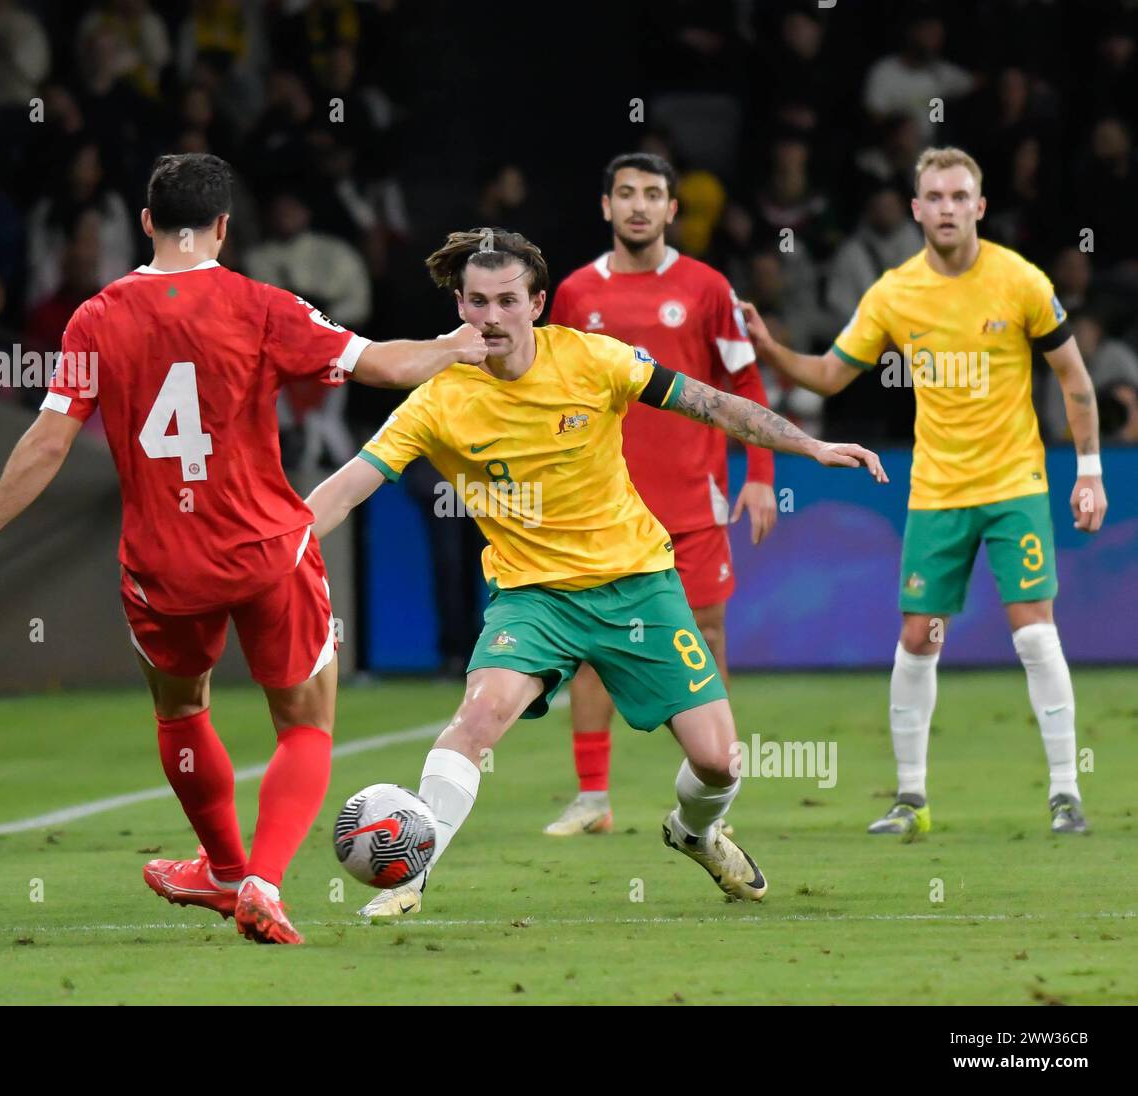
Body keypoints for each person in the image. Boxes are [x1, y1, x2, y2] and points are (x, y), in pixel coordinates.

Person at [0, 153, 488, 945]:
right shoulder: (261, 304)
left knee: (181, 710)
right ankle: (262, 882)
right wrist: (456, 343)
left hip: (162, 565)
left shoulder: (95, 317)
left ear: (145, 223)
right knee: (306, 725)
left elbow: (47, 441)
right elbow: (382, 364)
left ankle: (221, 867)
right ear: (223, 226)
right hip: (264, 550)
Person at [305, 228, 887, 918]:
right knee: (477, 721)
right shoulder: (437, 399)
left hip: (638, 583)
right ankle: (412, 873)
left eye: (507, 300)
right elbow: (344, 488)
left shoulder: (594, 359)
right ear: (459, 306)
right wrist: (277, 549)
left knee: (719, 762)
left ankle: (695, 832)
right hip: (532, 597)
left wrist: (809, 444)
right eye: (477, 302)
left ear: (538, 303)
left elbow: (714, 403)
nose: (492, 317)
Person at [740, 147, 1108, 837]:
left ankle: (1065, 793)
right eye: (933, 197)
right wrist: (768, 345)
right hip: (936, 492)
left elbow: (1076, 379)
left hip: (1013, 483)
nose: (945, 207)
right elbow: (826, 375)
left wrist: (1088, 473)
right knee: (917, 636)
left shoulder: (1020, 281)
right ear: (915, 209)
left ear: (979, 206)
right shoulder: (893, 293)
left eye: (958, 196)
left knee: (1033, 633)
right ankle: (911, 800)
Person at [542, 152, 777, 837]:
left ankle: (715, 800)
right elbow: (550, 390)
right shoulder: (576, 294)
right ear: (605, 207)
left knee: (704, 640)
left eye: (652, 194)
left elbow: (746, 389)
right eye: (626, 193)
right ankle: (592, 800)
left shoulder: (708, 289)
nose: (638, 205)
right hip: (597, 508)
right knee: (588, 646)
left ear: (673, 210)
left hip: (692, 504)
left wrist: (760, 476)